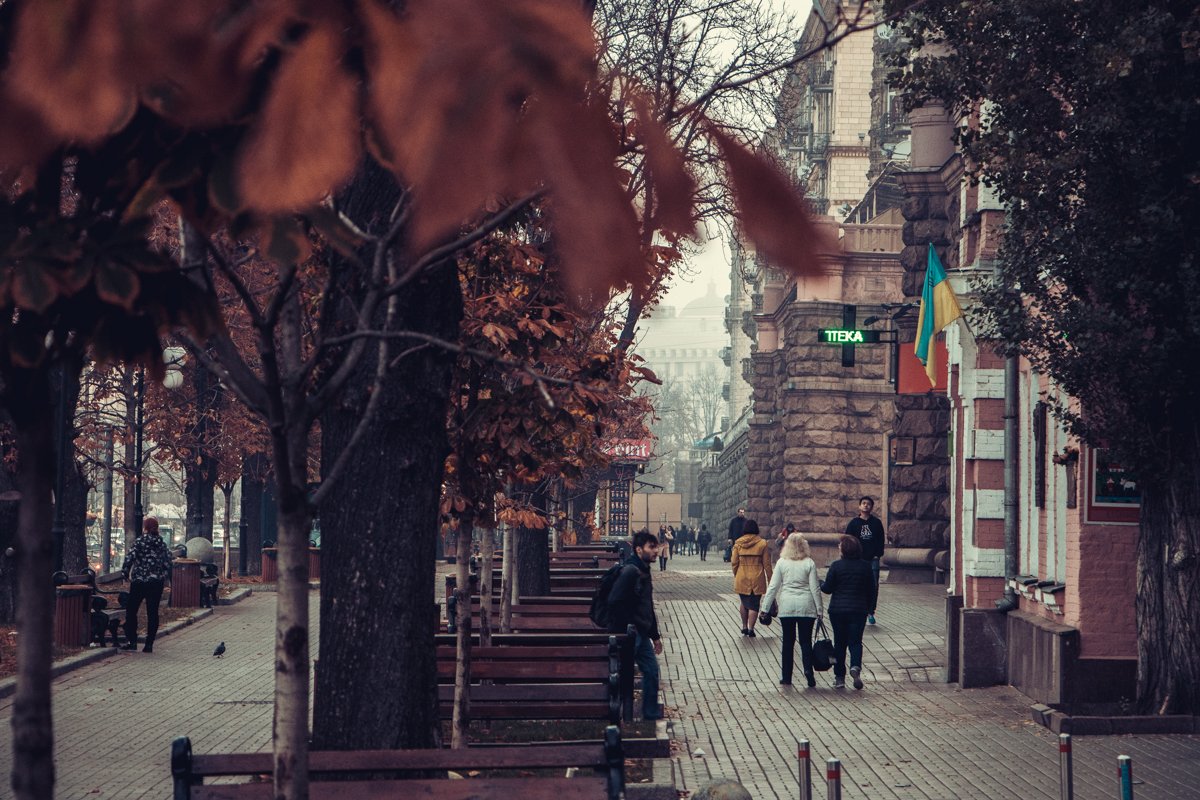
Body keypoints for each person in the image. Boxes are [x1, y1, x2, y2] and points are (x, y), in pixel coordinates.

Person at [607, 529, 664, 720]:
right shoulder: (631, 571)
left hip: (640, 631)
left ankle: (649, 713)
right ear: (639, 550)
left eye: (656, 546)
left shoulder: (643, 571)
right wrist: (628, 626)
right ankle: (618, 712)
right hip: (630, 632)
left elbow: (646, 606)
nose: (656, 551)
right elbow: (615, 600)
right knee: (623, 673)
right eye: (652, 547)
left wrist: (655, 636)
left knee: (651, 670)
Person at [762, 533, 823, 686]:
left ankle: (786, 676)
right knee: (805, 642)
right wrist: (820, 610)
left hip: (787, 606)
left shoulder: (782, 563)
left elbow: (773, 587)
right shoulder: (809, 563)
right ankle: (808, 670)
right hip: (806, 606)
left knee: (788, 642)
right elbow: (815, 588)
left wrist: (765, 608)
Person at [820, 534, 877, 689]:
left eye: (840, 545)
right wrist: (870, 608)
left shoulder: (836, 566)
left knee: (840, 643)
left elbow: (828, 589)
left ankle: (839, 678)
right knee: (856, 641)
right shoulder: (865, 566)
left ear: (844, 549)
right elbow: (872, 589)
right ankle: (855, 667)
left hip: (837, 611)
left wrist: (820, 583)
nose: (838, 547)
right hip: (858, 610)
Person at [121, 516, 173, 653]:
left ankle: (132, 641)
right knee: (152, 612)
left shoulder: (140, 542)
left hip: (139, 581)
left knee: (132, 610)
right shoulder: (162, 544)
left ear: (145, 528)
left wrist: (125, 572)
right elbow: (168, 562)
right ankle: (149, 644)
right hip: (156, 582)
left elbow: (129, 558)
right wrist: (164, 575)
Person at [844, 496, 886, 624]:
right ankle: (857, 609)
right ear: (859, 506)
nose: (866, 505)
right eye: (863, 503)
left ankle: (870, 611)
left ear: (872, 507)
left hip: (872, 560)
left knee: (873, 585)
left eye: (868, 504)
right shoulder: (853, 523)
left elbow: (880, 540)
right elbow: (848, 540)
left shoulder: (876, 523)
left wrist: (877, 554)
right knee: (857, 584)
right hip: (857, 559)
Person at [731, 519, 771, 637]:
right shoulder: (762, 543)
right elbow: (767, 564)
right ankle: (751, 628)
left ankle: (744, 626)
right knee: (754, 604)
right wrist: (770, 579)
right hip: (757, 577)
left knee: (744, 602)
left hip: (742, 576)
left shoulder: (738, 544)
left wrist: (737, 574)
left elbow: (734, 562)